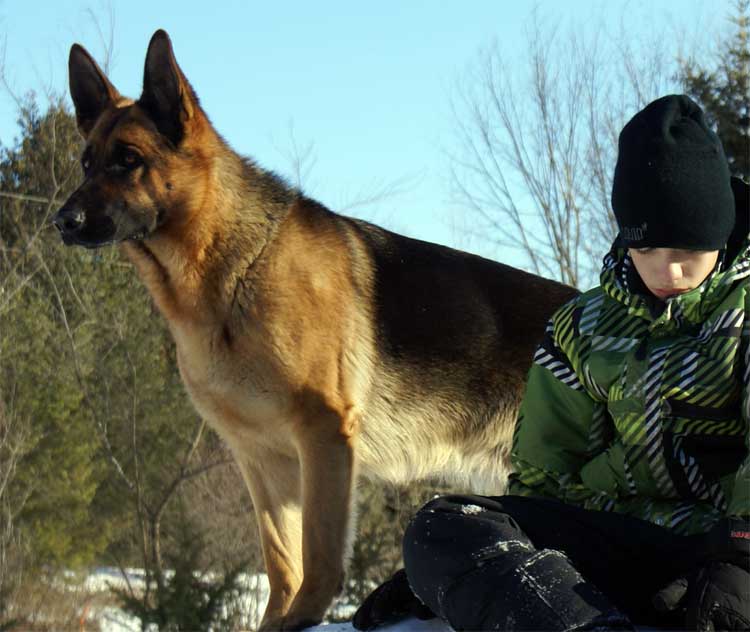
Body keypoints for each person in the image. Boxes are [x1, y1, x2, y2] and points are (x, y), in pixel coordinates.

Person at [353, 94, 750, 631]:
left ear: (720, 234)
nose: (669, 271)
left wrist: (740, 560)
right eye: (647, 250)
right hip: (624, 547)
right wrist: (475, 570)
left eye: (686, 253)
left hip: (725, 552)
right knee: (444, 525)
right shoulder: (582, 328)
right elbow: (545, 480)